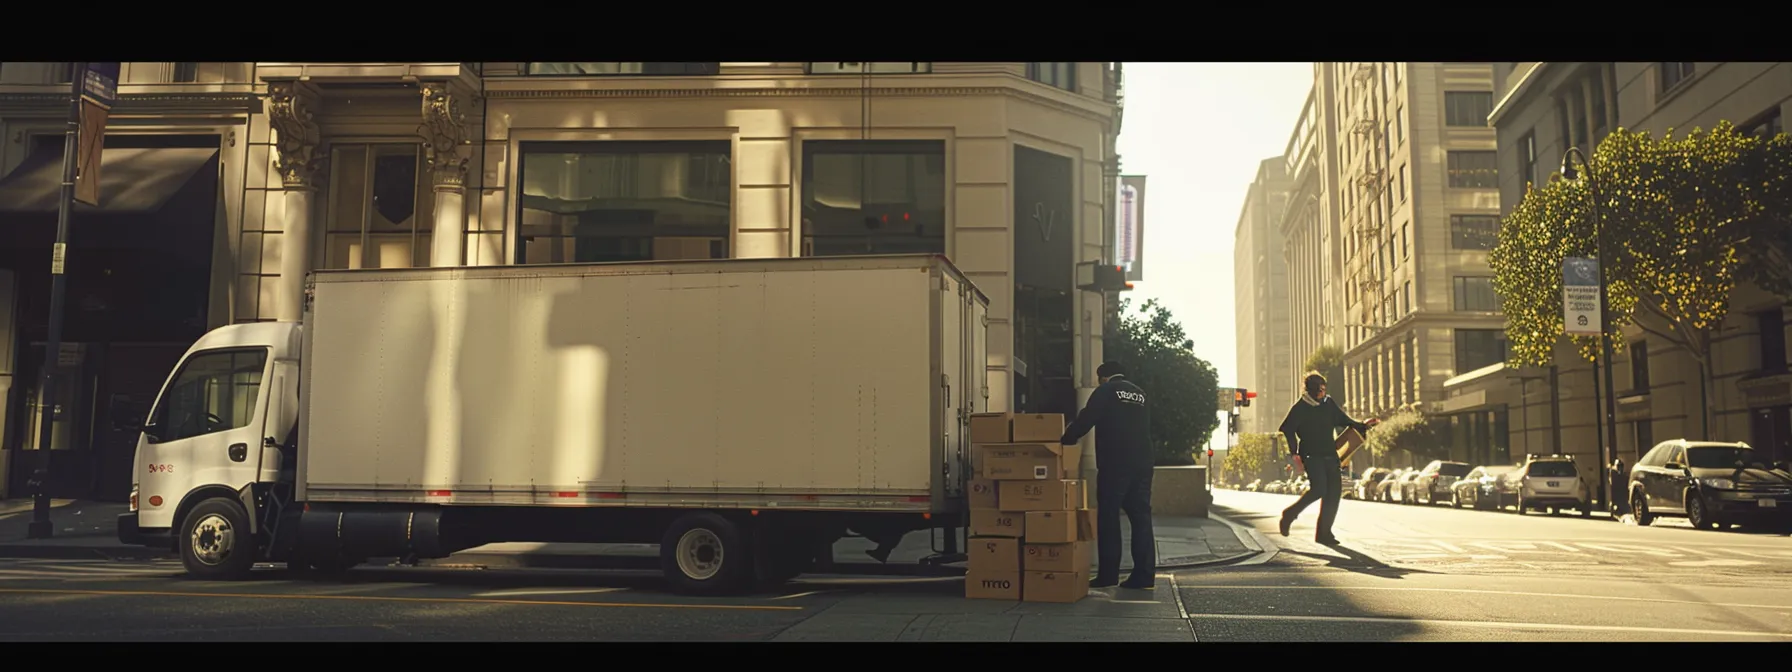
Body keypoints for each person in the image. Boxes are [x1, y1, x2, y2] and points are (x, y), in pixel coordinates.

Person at [1061, 361, 1154, 590]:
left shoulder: (1105, 391)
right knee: (1141, 518)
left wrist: (1067, 438)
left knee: (1109, 517)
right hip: (1143, 463)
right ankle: (1144, 575)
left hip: (1115, 462)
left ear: (1102, 377)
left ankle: (1108, 575)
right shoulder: (1140, 393)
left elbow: (1087, 418)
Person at [1277, 372, 1377, 545]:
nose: (1323, 392)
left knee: (1334, 493)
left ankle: (1324, 533)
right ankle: (1289, 514)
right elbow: (1287, 428)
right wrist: (1295, 453)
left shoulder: (1328, 403)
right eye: (1320, 389)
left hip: (1330, 454)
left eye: (1324, 389)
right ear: (1311, 390)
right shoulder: (1300, 407)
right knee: (1319, 489)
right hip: (1311, 455)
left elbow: (1345, 420)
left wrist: (1363, 425)